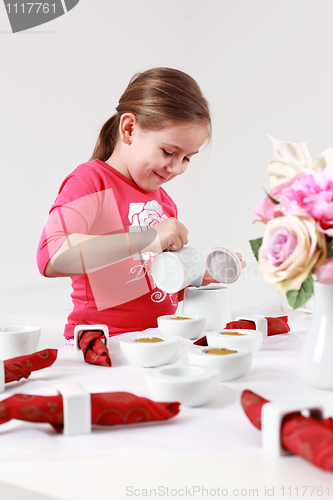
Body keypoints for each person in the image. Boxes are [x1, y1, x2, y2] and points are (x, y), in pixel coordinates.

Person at [37, 67, 244, 345]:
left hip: (155, 343)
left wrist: (194, 276)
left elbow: (144, 284)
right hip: (101, 344)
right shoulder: (91, 181)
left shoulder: (164, 202)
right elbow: (51, 257)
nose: (176, 168)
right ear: (129, 128)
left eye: (187, 158)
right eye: (169, 152)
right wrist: (149, 239)